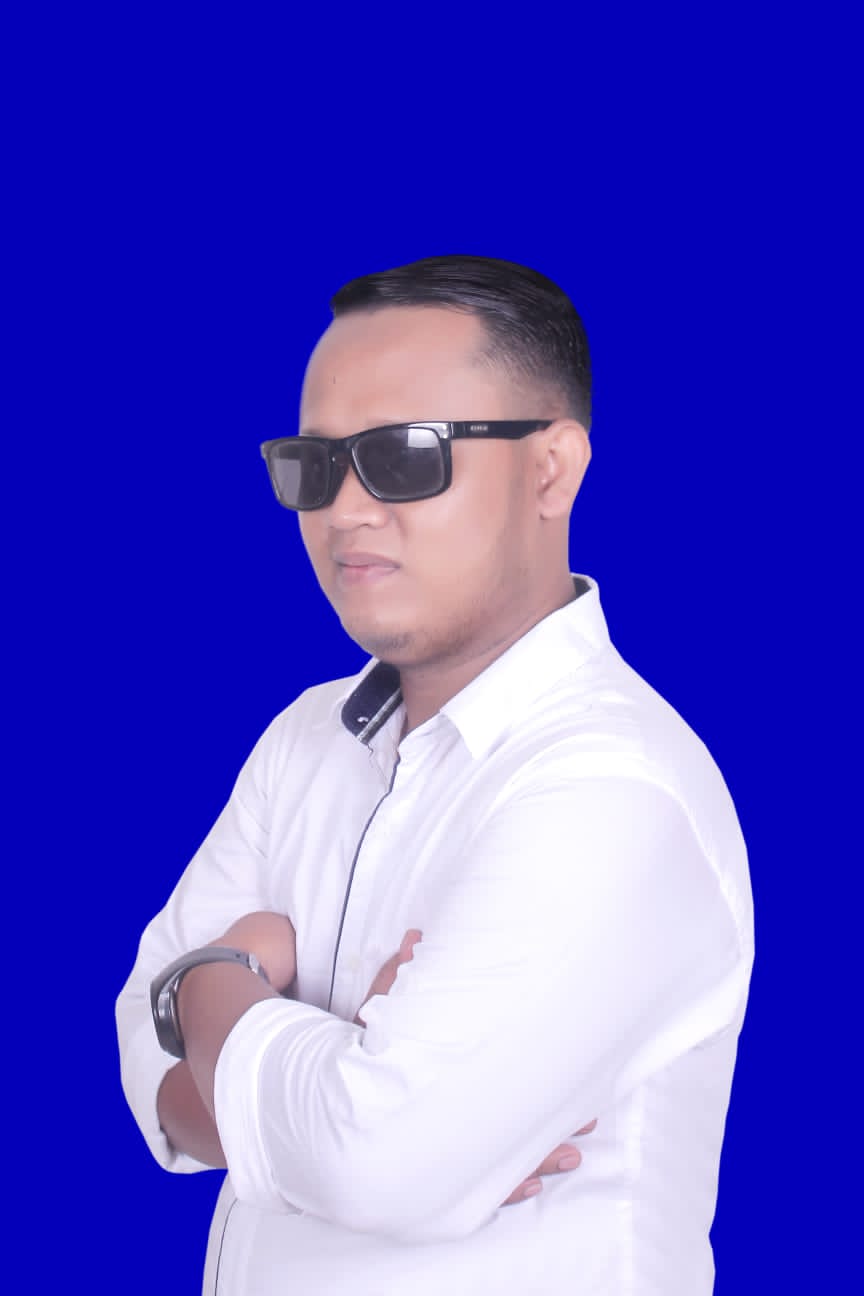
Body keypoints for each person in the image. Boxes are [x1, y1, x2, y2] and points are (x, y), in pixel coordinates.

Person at [116, 255, 754, 1295]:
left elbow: (377, 1162)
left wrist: (208, 988)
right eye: (314, 466)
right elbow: (147, 1072)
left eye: (403, 456)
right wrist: (323, 1089)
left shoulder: (614, 791)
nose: (344, 511)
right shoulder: (305, 739)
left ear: (551, 471)